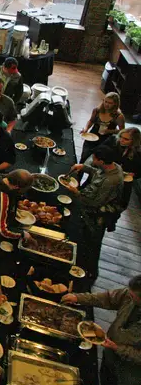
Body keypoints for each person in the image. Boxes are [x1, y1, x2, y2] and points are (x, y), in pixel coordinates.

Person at [62, 275, 141, 385]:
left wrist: (118, 349)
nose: (130, 297)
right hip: (111, 353)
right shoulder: (130, 295)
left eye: (135, 297)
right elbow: (108, 298)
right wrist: (78, 297)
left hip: (131, 372)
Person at [64, 145, 124, 275]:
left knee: (91, 242)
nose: (93, 160)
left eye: (94, 159)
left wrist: (76, 192)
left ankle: (89, 271)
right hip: (92, 208)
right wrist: (84, 168)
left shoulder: (110, 181)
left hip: (97, 215)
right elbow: (98, 174)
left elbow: (95, 203)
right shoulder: (112, 167)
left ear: (102, 161)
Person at [80, 92, 125, 162]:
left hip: (106, 139)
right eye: (105, 101)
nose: (106, 104)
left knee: (98, 159)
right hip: (93, 135)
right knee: (84, 155)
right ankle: (79, 171)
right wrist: (86, 129)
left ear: (115, 104)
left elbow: (122, 131)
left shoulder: (119, 116)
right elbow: (91, 121)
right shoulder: (97, 110)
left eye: (110, 103)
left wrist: (109, 131)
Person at [107, 128, 141, 210]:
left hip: (125, 180)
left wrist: (134, 174)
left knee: (121, 203)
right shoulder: (115, 142)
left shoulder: (138, 153)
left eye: (126, 139)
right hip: (109, 174)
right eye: (121, 137)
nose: (121, 140)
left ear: (134, 141)